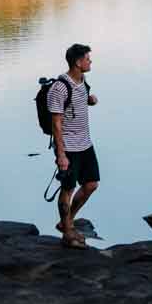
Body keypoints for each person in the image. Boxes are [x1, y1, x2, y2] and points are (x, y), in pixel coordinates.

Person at [49, 43, 99, 248]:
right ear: (78, 62)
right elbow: (56, 123)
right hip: (68, 146)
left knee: (91, 184)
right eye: (88, 58)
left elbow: (77, 102)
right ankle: (68, 233)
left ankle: (66, 222)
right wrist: (61, 155)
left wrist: (90, 101)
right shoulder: (59, 88)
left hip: (85, 144)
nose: (90, 61)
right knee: (67, 188)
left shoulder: (82, 81)